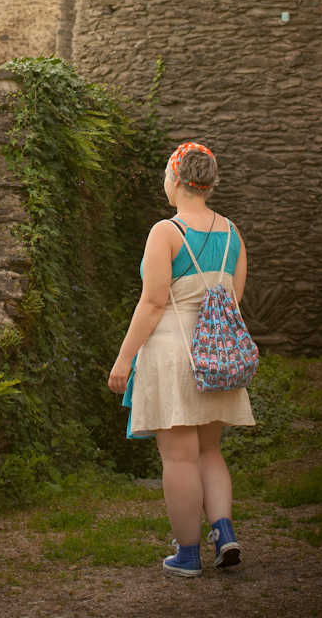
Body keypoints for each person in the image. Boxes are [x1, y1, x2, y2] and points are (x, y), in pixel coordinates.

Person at [108, 142, 255, 577]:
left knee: (178, 458)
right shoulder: (232, 232)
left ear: (176, 180)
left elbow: (153, 303)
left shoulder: (166, 231)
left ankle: (187, 554)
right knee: (210, 451)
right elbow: (233, 301)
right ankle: (223, 533)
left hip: (173, 352)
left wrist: (123, 359)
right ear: (208, 182)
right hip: (217, 353)